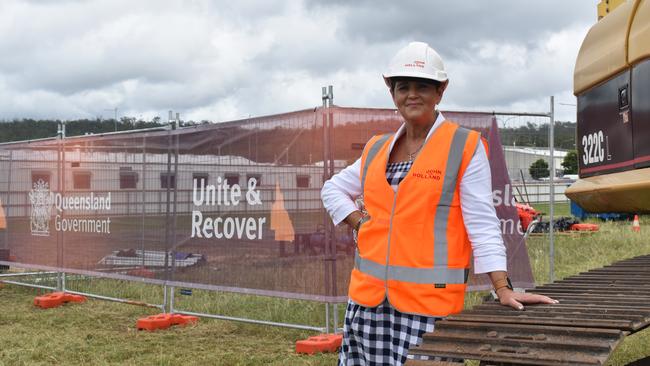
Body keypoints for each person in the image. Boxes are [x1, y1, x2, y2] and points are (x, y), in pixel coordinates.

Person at [320, 41, 558, 365]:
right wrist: (360, 222)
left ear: (440, 91)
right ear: (392, 93)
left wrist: (502, 287)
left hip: (428, 309)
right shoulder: (376, 149)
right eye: (403, 87)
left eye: (423, 86)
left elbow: (482, 223)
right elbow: (332, 189)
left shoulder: (464, 146)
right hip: (366, 305)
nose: (412, 95)